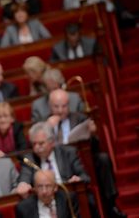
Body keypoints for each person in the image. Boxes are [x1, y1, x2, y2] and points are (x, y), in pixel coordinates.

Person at [45, 89, 126, 218]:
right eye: (56, 107)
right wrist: (47, 128)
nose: (60, 110)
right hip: (60, 166)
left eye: (64, 106)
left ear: (69, 105)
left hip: (83, 161)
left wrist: (93, 134)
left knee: (103, 159)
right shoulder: (45, 124)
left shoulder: (80, 118)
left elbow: (95, 146)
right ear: (50, 106)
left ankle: (111, 205)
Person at [15, 170, 80, 218]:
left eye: (48, 186)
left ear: (55, 187)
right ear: (34, 188)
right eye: (40, 186)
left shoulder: (68, 199)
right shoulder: (23, 208)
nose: (44, 191)